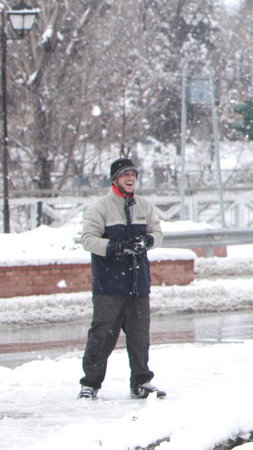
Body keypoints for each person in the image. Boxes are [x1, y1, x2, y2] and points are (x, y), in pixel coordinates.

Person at [78, 157, 165, 400]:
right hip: (109, 286)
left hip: (138, 285)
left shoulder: (144, 207)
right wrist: (117, 247)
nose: (131, 178)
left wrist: (148, 241)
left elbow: (157, 233)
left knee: (140, 337)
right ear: (115, 179)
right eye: (126, 174)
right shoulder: (100, 207)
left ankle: (141, 382)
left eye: (134, 175)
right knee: (101, 336)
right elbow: (88, 240)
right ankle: (90, 384)